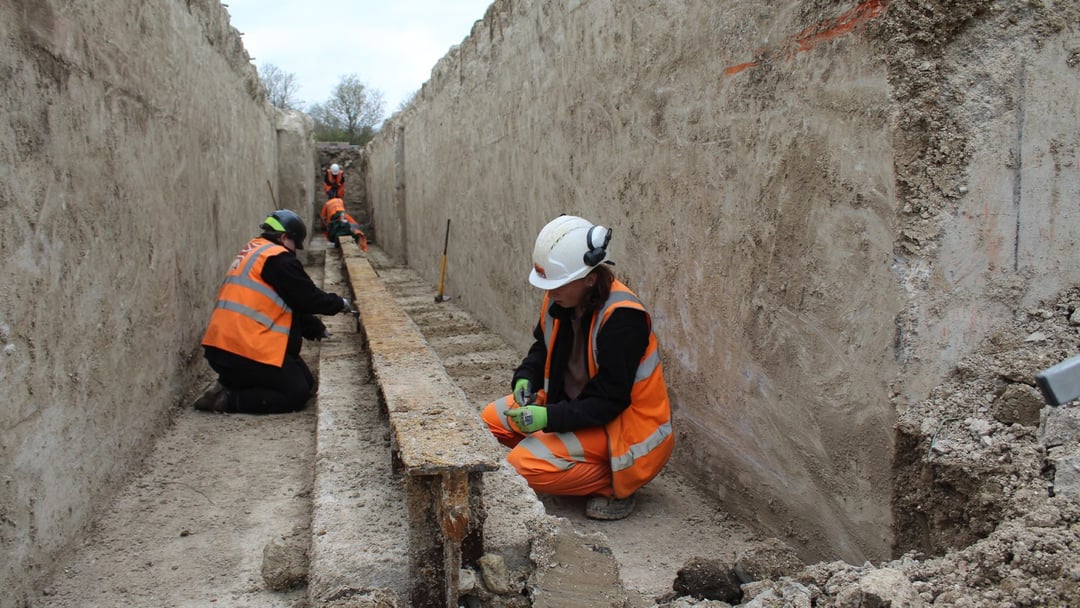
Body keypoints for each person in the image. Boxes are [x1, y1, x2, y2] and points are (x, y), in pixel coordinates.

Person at [480, 215, 674, 520]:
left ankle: (615, 484)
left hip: (620, 427)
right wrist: (526, 377)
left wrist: (549, 418)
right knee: (489, 422)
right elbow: (543, 347)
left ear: (590, 279)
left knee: (522, 465)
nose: (550, 291)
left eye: (557, 284)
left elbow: (609, 400)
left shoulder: (623, 318)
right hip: (575, 405)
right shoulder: (560, 300)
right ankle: (566, 459)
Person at [193, 209, 354, 414]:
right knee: (295, 393)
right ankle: (227, 400)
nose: (294, 251)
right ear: (284, 237)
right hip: (240, 348)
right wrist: (340, 303)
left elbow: (289, 300)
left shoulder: (255, 251)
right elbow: (307, 297)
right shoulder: (278, 258)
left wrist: (315, 328)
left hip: (224, 345)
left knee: (305, 379)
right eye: (295, 244)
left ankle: (231, 382)